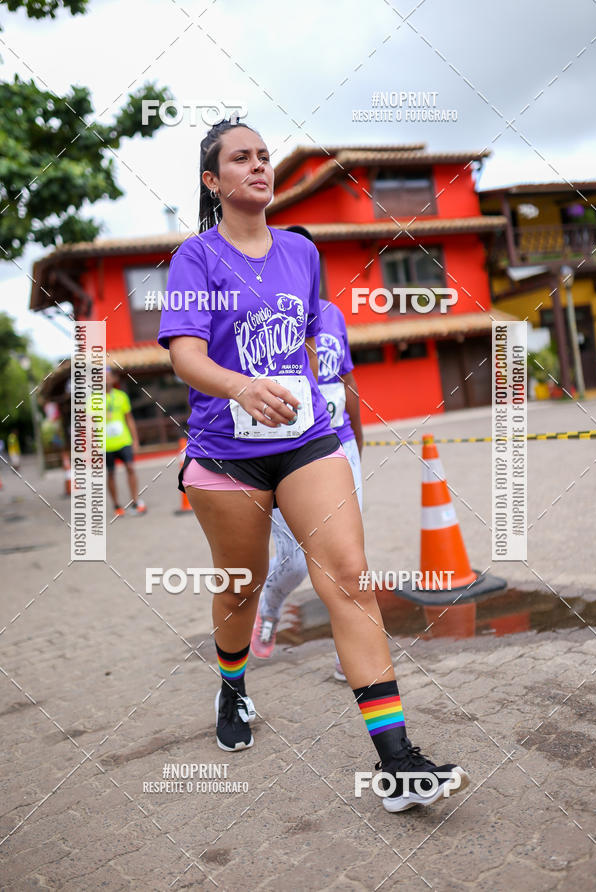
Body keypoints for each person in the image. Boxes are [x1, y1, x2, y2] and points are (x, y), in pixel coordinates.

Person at [158, 117, 469, 811]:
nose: (259, 166)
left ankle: (398, 764)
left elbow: (304, 341)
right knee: (244, 586)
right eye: (241, 158)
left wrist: (316, 405)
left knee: (350, 578)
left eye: (265, 156)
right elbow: (183, 354)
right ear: (213, 180)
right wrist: (241, 386)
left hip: (305, 440)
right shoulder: (195, 258)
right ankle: (234, 685)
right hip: (226, 454)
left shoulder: (302, 252)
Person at [251, 226, 363, 683]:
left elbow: (347, 380)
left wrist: (360, 439)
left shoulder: (333, 315)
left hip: (342, 445)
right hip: (288, 449)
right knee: (296, 560)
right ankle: (268, 608)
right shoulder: (259, 315)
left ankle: (350, 655)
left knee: (349, 559)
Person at [100, 367, 146, 517]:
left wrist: (135, 440)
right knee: (111, 473)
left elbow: (129, 419)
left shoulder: (121, 397)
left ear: (114, 379)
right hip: (105, 444)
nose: (106, 379)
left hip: (124, 440)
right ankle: (116, 505)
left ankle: (135, 501)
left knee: (130, 468)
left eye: (108, 376)